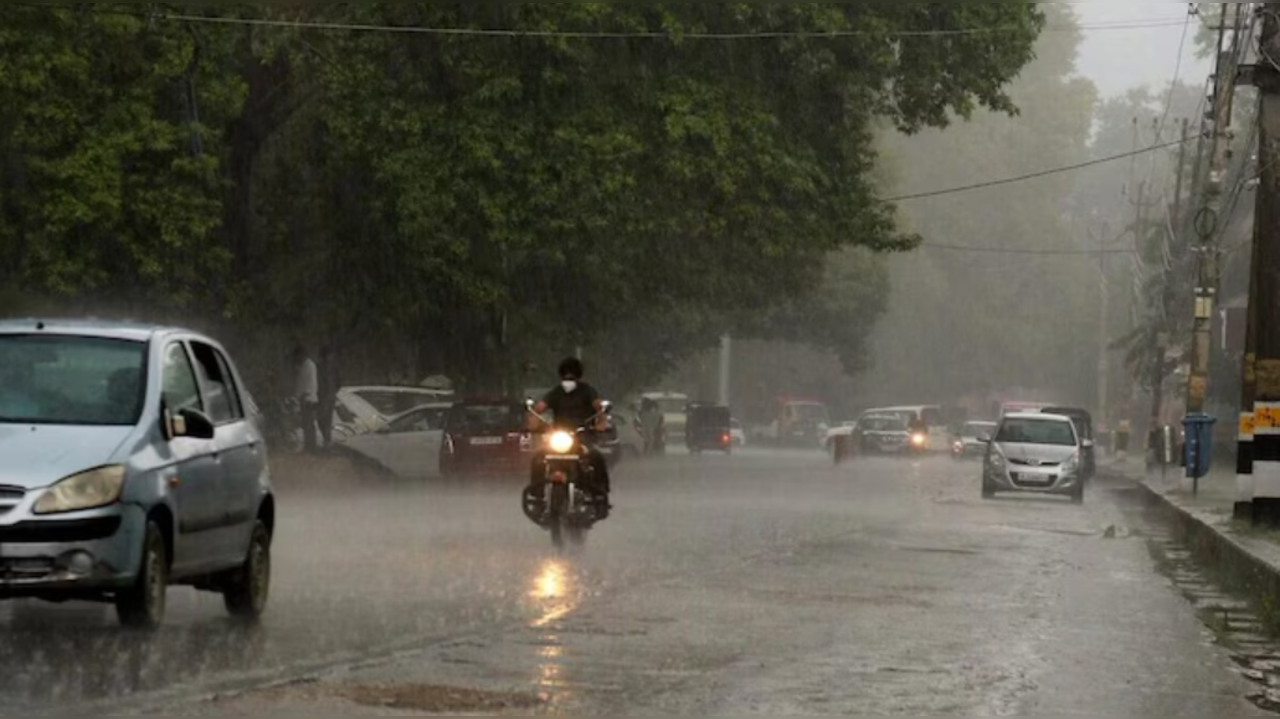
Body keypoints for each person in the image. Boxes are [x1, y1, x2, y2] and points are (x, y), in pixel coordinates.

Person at [524, 357, 613, 520]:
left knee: (596, 457)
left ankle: (600, 494)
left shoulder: (587, 390)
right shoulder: (556, 392)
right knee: (537, 458)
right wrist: (533, 418)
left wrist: (601, 421)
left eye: (571, 376)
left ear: (578, 376)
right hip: (558, 436)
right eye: (565, 376)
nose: (568, 379)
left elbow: (599, 407)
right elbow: (540, 407)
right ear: (560, 376)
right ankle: (537, 496)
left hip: (582, 435)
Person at [292, 344, 320, 453]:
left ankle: (310, 446)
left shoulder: (307, 366)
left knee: (308, 424)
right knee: (307, 424)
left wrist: (298, 396)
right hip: (308, 398)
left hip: (308, 398)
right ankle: (309, 445)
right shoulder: (307, 365)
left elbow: (304, 385)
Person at [317, 343, 341, 449]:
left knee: (323, 419)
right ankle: (327, 440)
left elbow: (339, 382)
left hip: (325, 396)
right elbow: (339, 382)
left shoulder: (322, 367)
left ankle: (327, 441)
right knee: (325, 419)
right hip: (328, 395)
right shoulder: (332, 366)